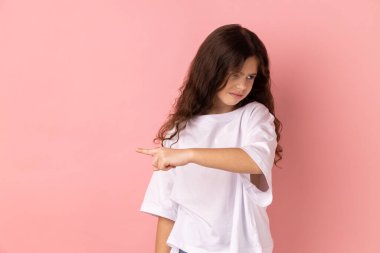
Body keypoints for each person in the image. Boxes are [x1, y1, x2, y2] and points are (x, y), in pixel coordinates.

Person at [136, 23, 283, 253]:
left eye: (250, 76)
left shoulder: (254, 116)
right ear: (212, 69)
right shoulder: (180, 130)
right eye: (235, 74)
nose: (242, 85)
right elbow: (167, 209)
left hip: (242, 247)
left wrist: (189, 155)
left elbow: (255, 159)